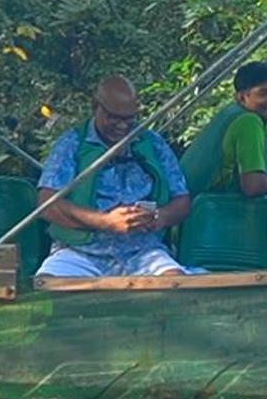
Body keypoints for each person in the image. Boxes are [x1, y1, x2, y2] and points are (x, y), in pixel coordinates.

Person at [34, 76, 195, 278]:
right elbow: (46, 204)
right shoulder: (72, 143)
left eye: (129, 119)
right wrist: (106, 221)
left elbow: (182, 201)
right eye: (113, 117)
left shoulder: (153, 143)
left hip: (143, 252)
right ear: (95, 107)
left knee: (176, 285)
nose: (121, 126)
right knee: (46, 289)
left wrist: (159, 217)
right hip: (79, 252)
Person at [178, 61, 267, 210]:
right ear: (242, 97)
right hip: (204, 216)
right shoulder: (248, 121)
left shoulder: (230, 114)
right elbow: (253, 186)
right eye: (264, 93)